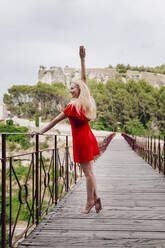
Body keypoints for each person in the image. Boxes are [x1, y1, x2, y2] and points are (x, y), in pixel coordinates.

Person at [33, 80, 102, 214]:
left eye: (72, 88)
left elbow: (54, 121)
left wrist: (40, 132)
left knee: (87, 173)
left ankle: (90, 202)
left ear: (79, 89)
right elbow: (84, 80)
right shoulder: (85, 103)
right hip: (88, 137)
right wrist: (82, 60)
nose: (70, 91)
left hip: (81, 140)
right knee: (90, 172)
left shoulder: (72, 106)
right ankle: (95, 197)